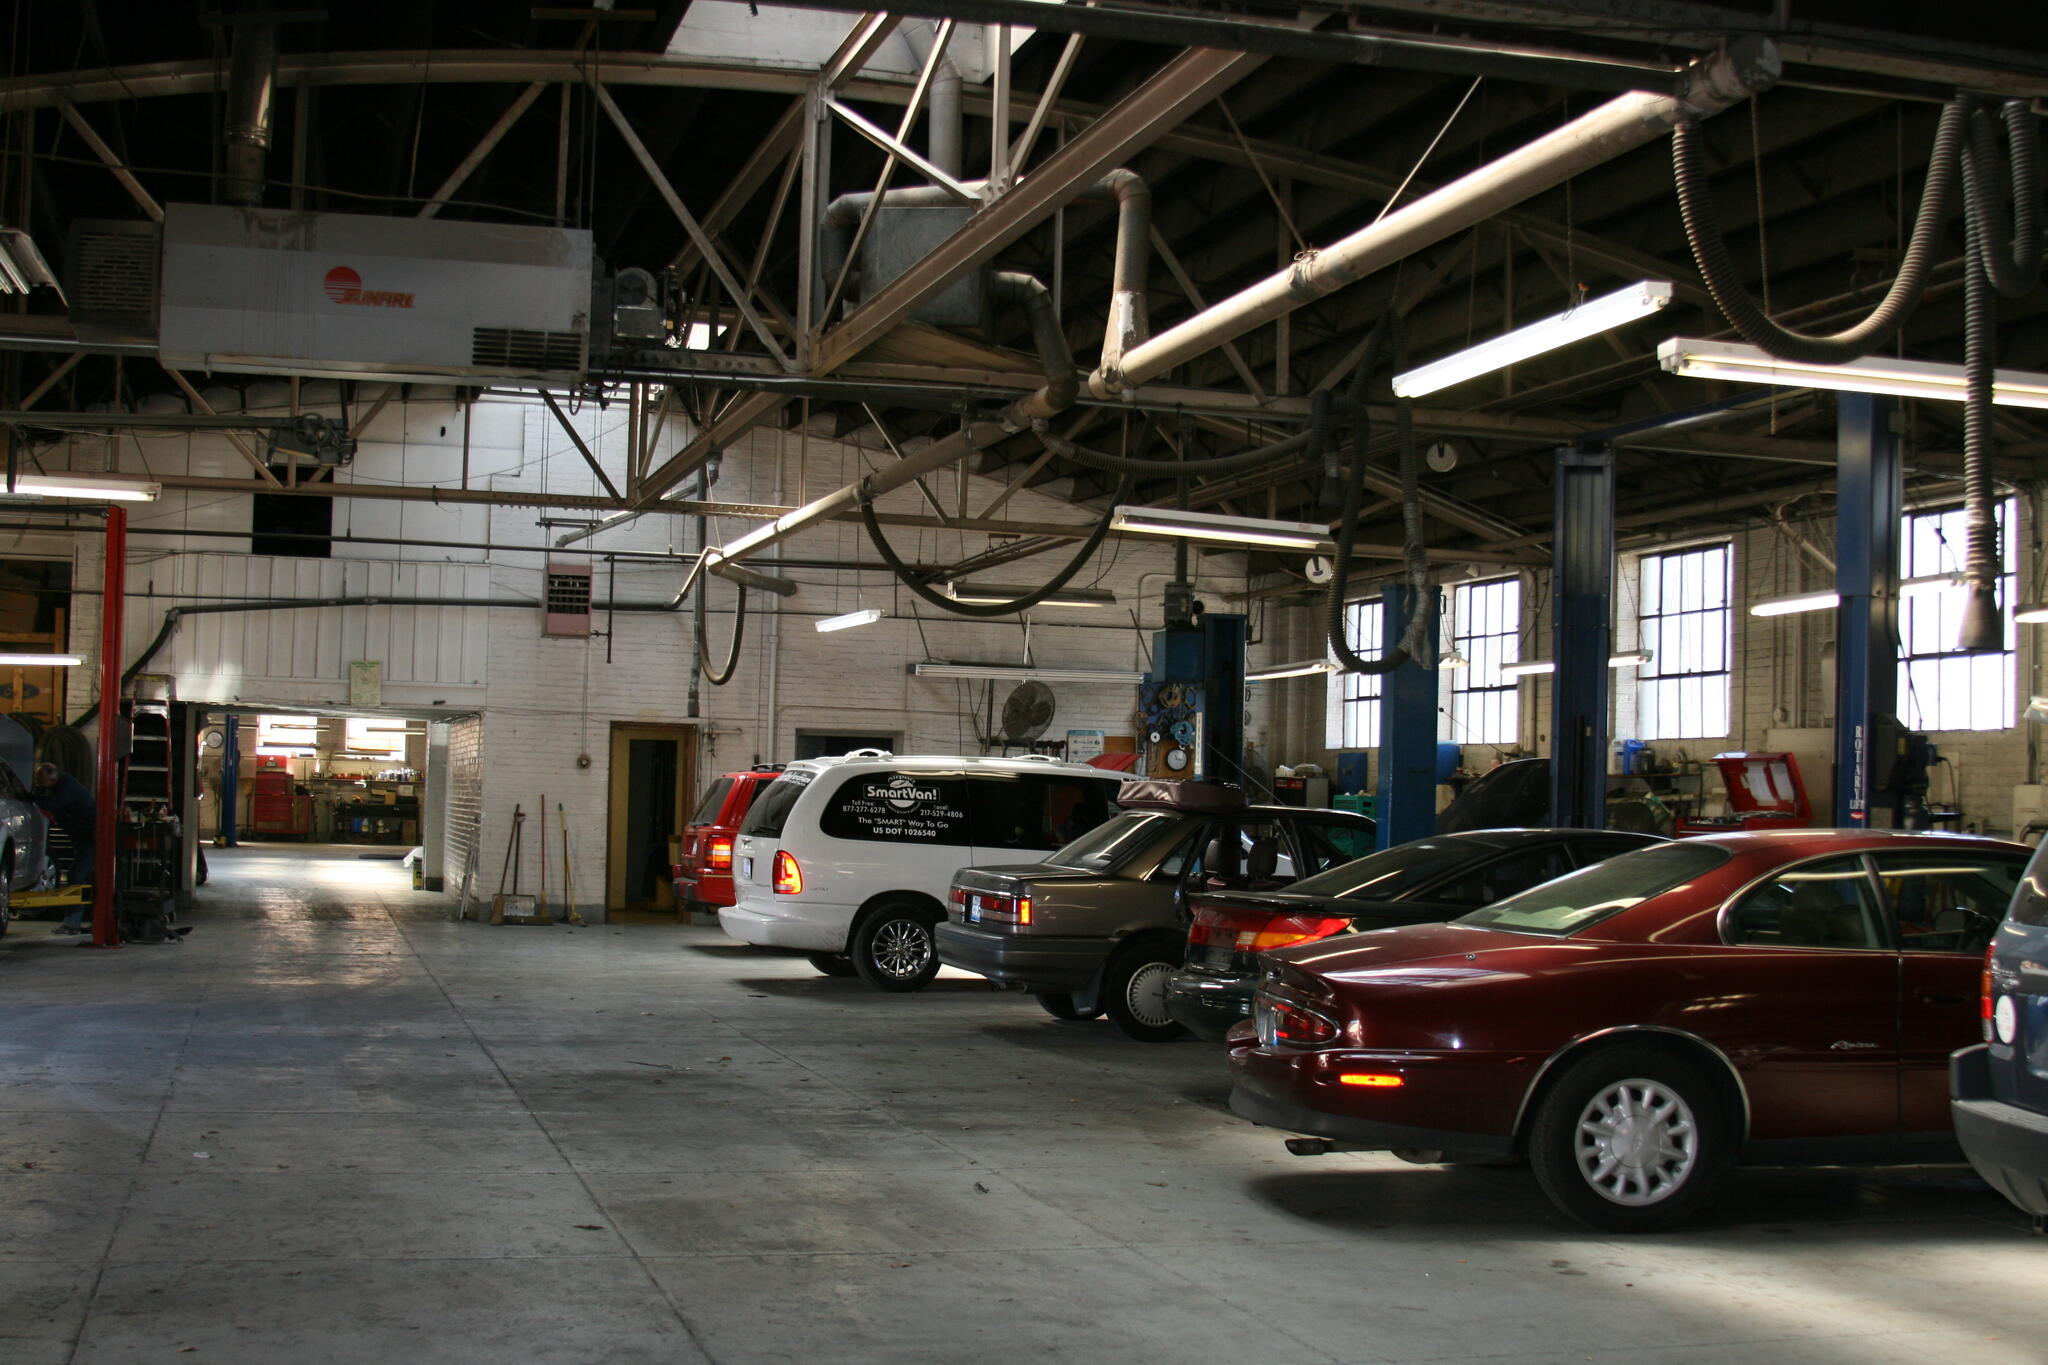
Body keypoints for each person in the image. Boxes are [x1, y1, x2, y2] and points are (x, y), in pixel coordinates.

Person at [32, 763, 96, 934]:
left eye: (40, 779)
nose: (38, 783)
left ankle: (72, 924)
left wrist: (30, 799)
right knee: (78, 876)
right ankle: (79, 923)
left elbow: (53, 804)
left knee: (77, 876)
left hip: (90, 838)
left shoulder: (66, 787)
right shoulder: (62, 786)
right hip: (84, 838)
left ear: (51, 777)